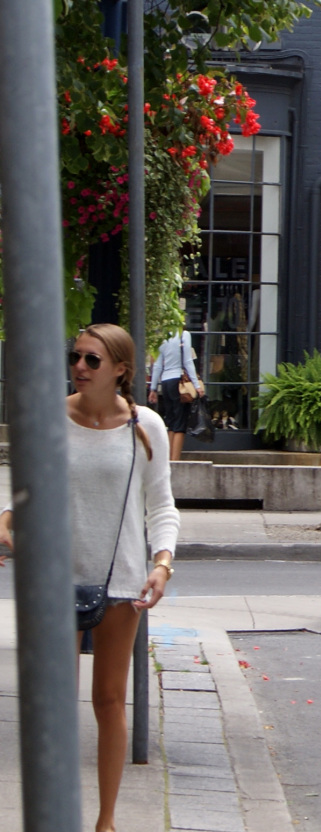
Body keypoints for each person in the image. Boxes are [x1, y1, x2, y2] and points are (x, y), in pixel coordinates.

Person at [1, 323, 179, 832]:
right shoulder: (50, 418)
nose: (79, 367)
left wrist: (162, 564)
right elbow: (30, 491)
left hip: (121, 580)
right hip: (52, 579)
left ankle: (105, 822)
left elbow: (161, 504)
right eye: (75, 357)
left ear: (120, 369)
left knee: (108, 699)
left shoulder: (145, 425)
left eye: (92, 360)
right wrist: (7, 520)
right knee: (55, 702)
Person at [147, 329, 204, 460]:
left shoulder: (163, 336)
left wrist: (153, 388)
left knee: (171, 421)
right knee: (180, 423)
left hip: (166, 383)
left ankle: (168, 459)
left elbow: (157, 366)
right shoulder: (184, 335)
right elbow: (187, 361)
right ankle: (175, 460)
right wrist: (196, 385)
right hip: (179, 383)